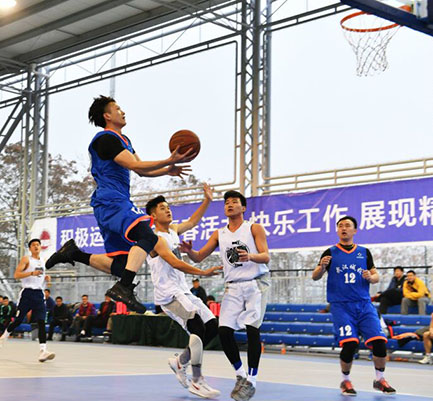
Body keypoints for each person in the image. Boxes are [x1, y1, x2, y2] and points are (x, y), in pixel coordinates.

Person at [46, 95, 211, 313]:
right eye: (117, 108)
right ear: (107, 115)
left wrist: (167, 170)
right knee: (148, 237)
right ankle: (123, 287)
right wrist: (168, 160)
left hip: (113, 202)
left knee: (122, 265)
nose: (122, 112)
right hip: (111, 200)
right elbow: (134, 164)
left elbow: (141, 170)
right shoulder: (105, 139)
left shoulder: (125, 140)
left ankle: (74, 253)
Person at [181, 190, 270, 401]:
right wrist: (189, 252)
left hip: (256, 284)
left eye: (234, 202)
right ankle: (240, 375)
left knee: (252, 329)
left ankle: (252, 381)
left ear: (243, 207)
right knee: (223, 330)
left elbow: (266, 256)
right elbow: (199, 257)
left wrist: (251, 256)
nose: (229, 205)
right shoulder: (219, 233)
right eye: (226, 202)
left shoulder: (254, 228)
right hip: (233, 286)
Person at [145, 184, 222, 399]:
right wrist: (203, 272)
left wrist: (207, 200)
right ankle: (197, 381)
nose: (168, 210)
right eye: (162, 208)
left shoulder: (173, 230)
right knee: (196, 326)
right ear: (153, 215)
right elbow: (175, 263)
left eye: (168, 207)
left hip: (183, 290)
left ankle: (180, 362)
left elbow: (193, 221)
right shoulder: (154, 239)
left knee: (212, 327)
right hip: (169, 295)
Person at [312, 216, 395, 395]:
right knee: (350, 344)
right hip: (341, 305)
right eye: (340, 226)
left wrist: (371, 277)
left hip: (364, 304)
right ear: (337, 230)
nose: (343, 228)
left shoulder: (364, 252)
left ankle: (380, 379)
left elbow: (376, 276)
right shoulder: (330, 252)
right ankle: (345, 381)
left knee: (380, 342)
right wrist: (322, 268)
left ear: (354, 230)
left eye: (347, 225)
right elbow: (315, 276)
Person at [0, 239, 55, 362]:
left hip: (39, 294)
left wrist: (47, 279)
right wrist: (31, 273)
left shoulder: (43, 261)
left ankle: (43, 351)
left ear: (40, 247)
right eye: (33, 245)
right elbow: (16, 275)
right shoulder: (26, 259)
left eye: (38, 245)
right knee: (19, 320)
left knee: (41, 321)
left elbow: (40, 279)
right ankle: (4, 336)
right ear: (30, 248)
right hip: (27, 293)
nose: (36, 246)